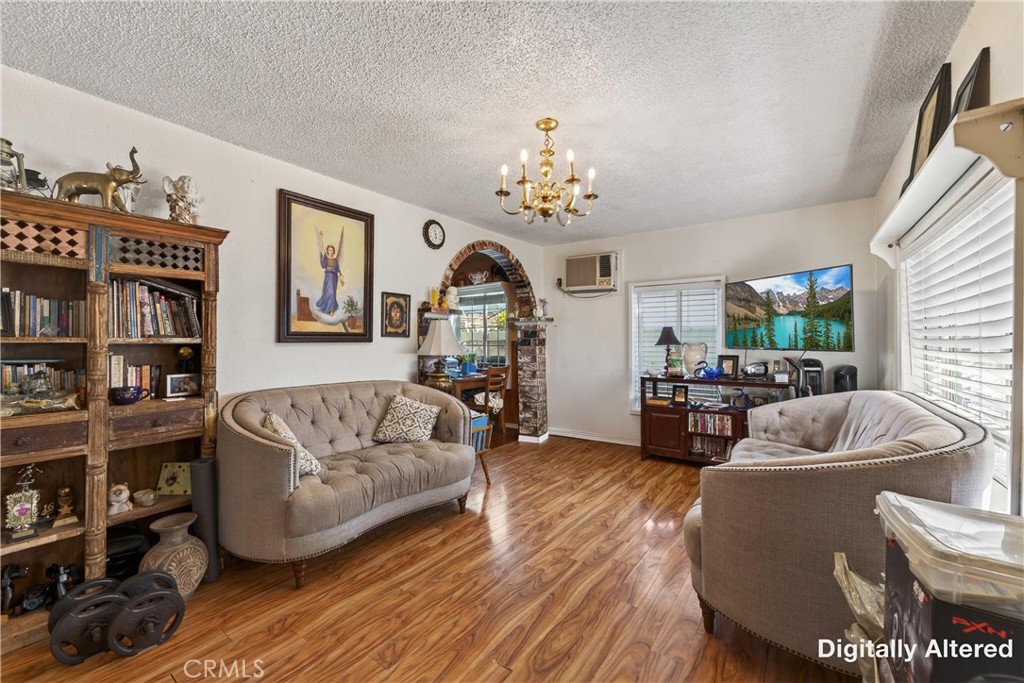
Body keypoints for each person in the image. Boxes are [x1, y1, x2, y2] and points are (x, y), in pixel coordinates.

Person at [314, 227, 344, 315]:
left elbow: (338, 270)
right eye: (329, 250)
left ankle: (331, 309)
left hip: (334, 278)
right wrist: (321, 238)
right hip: (328, 277)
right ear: (328, 251)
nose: (330, 251)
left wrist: (341, 279)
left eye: (332, 250)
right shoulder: (326, 258)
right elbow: (322, 249)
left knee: (333, 292)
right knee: (328, 292)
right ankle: (328, 308)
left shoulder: (335, 261)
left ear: (334, 251)